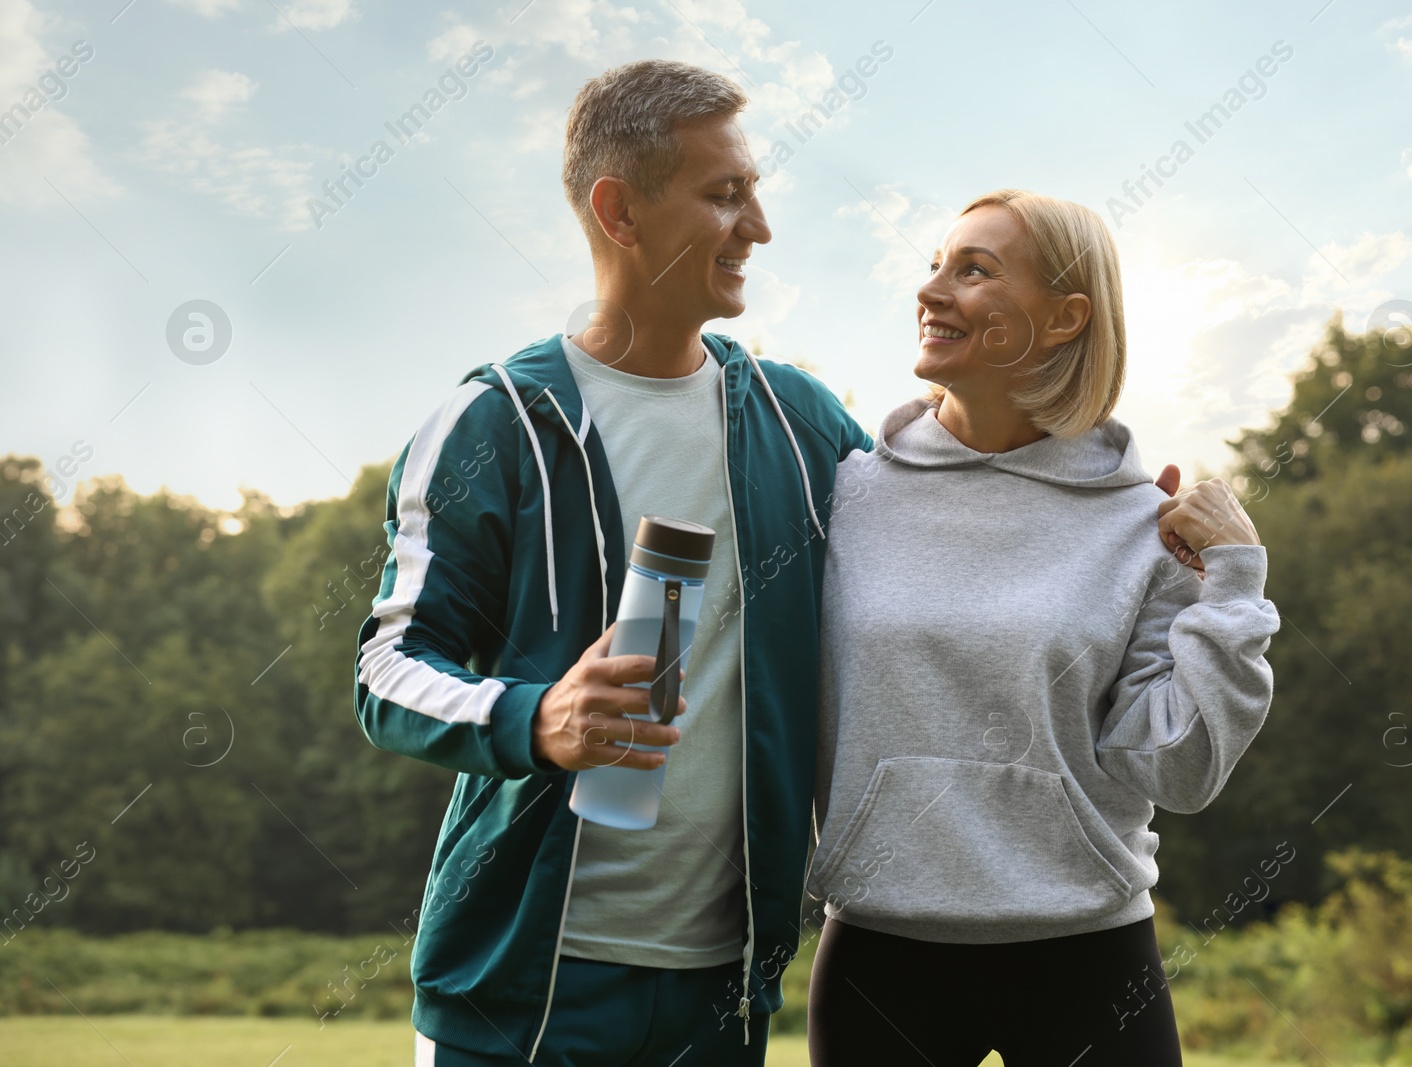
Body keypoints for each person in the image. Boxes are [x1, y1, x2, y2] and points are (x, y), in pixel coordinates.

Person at [354, 60, 870, 1066]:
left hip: (722, 995)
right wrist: (534, 717)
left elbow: (947, 525)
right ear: (619, 213)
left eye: (755, 194)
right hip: (517, 996)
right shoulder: (493, 421)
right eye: (724, 196)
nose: (756, 227)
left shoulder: (797, 418)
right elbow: (387, 672)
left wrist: (1125, 506)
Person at [805, 189, 1281, 1066]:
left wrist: (1235, 581)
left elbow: (1178, 768)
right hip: (879, 947)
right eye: (935, 264)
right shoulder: (845, 497)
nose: (933, 290)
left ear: (1065, 318)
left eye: (974, 269)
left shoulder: (1145, 524)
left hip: (1088, 955)